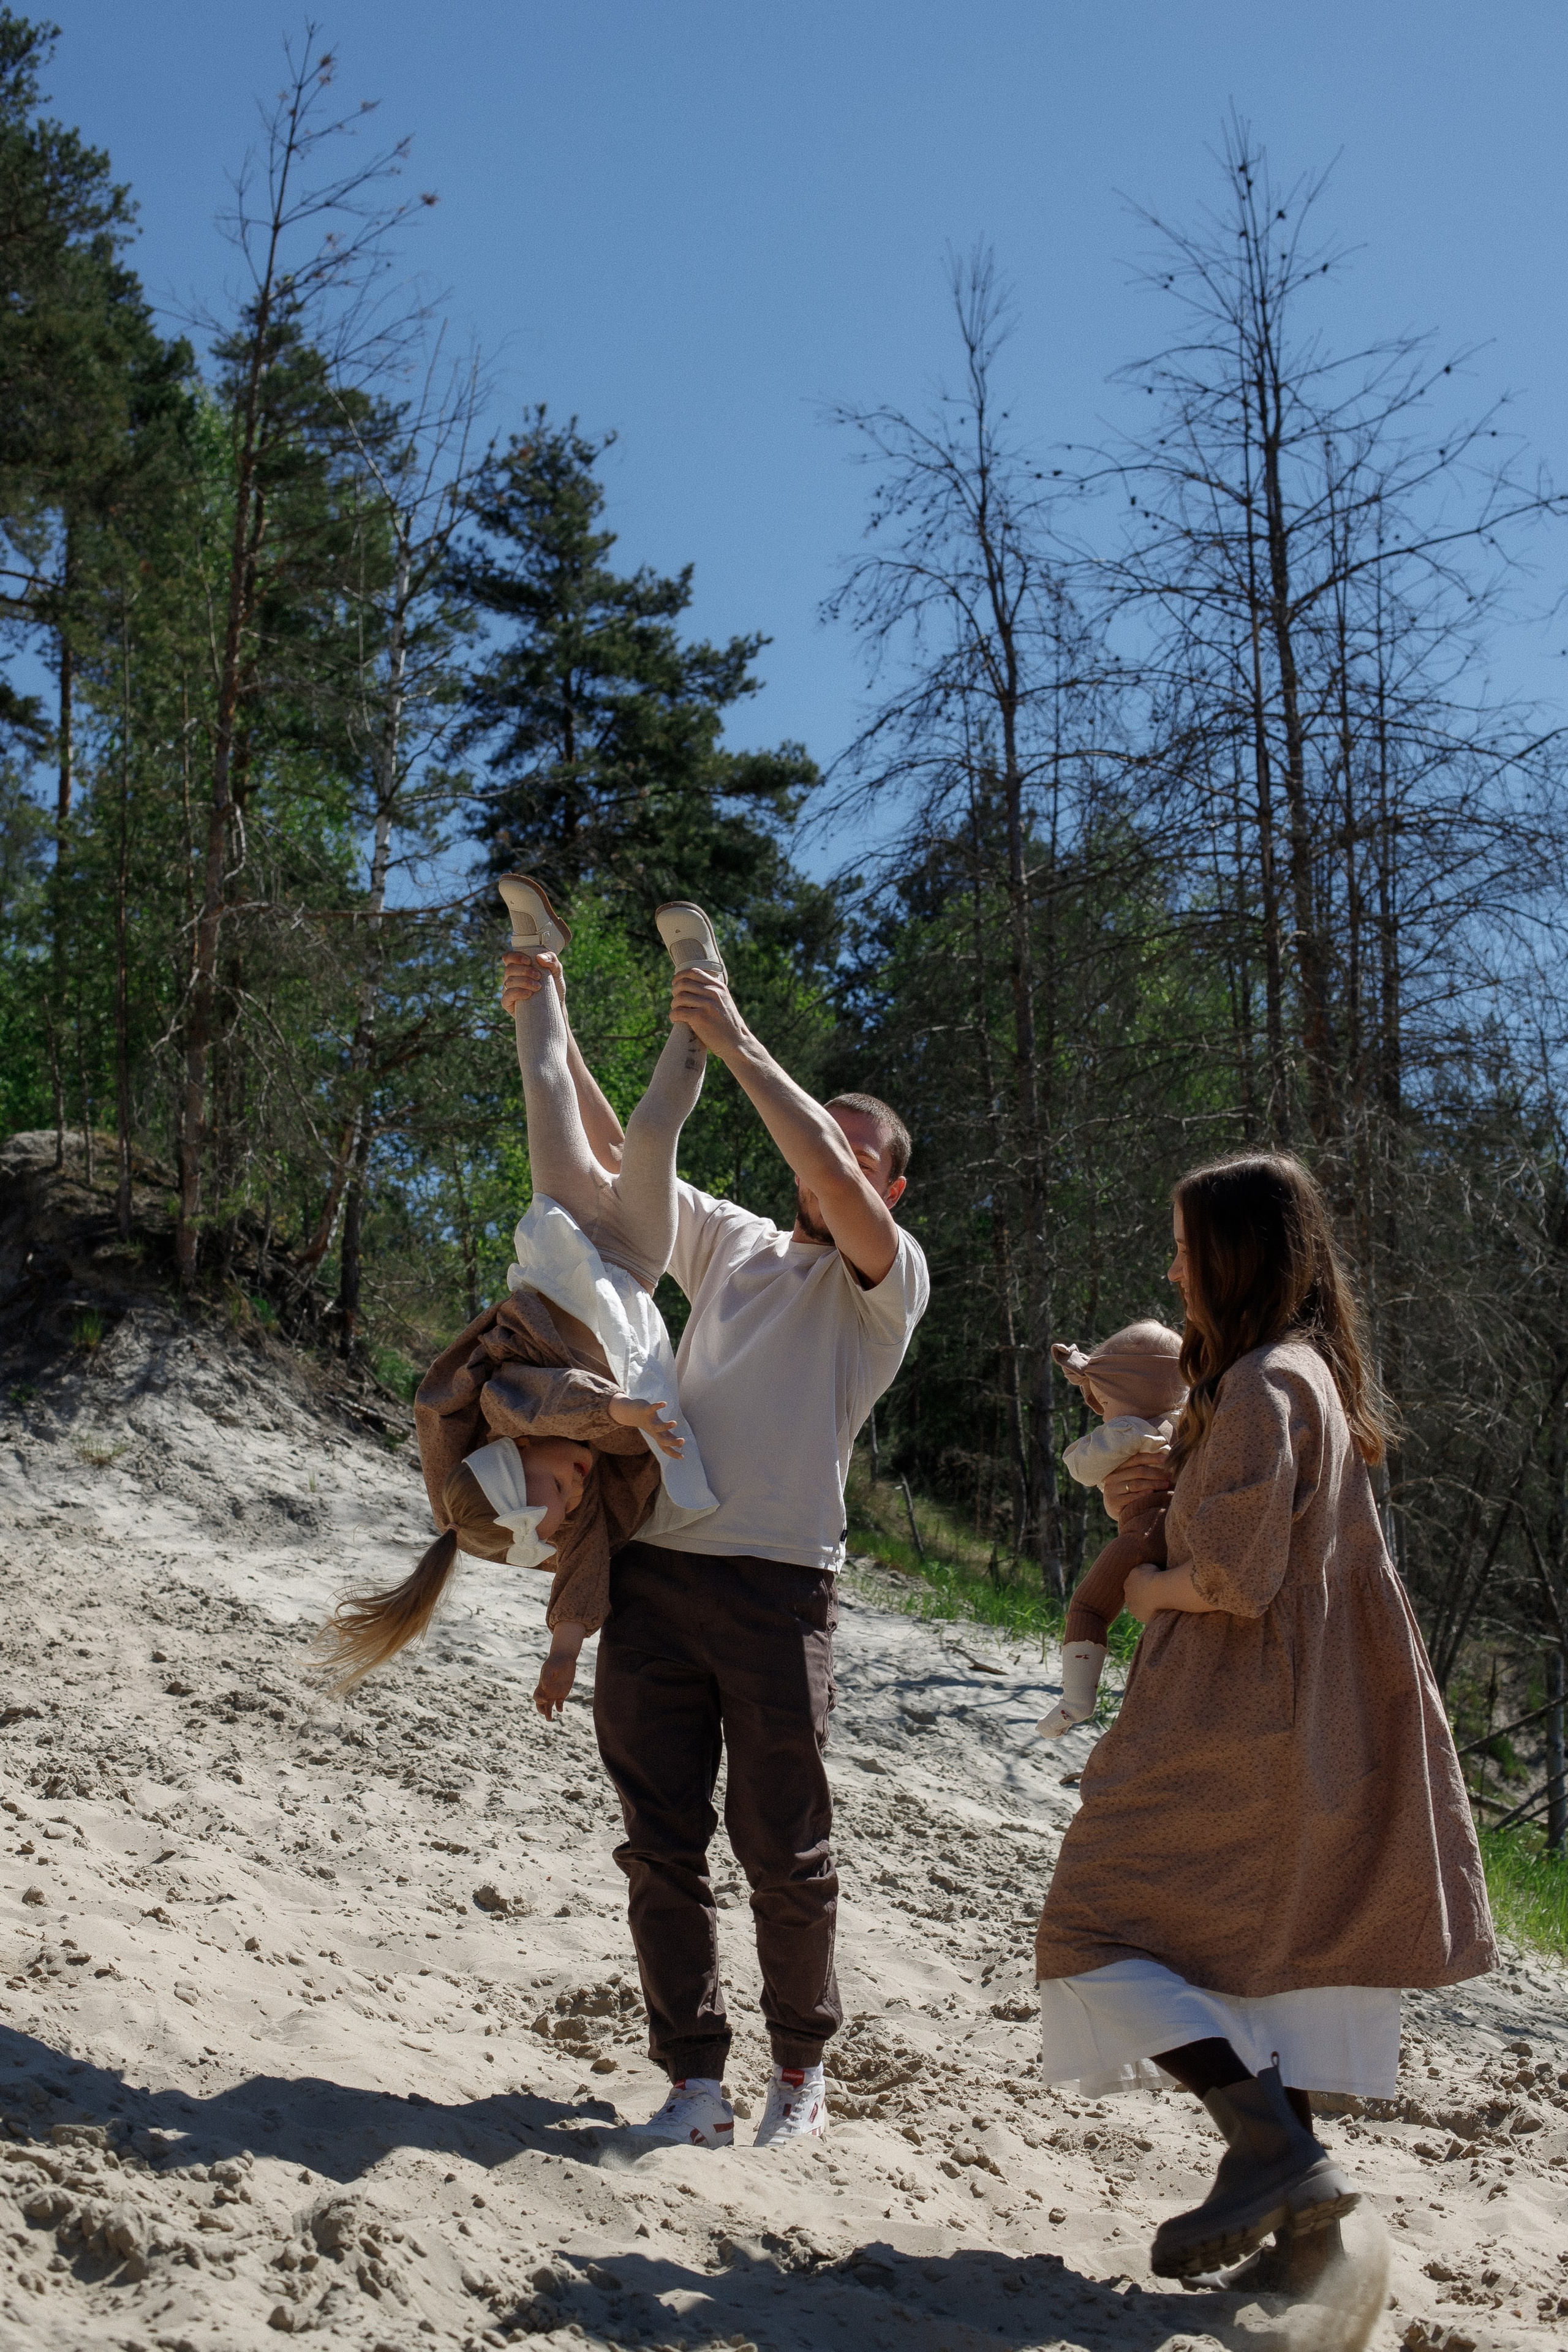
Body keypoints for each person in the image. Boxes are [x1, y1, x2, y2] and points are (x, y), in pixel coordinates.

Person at [1032, 1154, 1495, 2290]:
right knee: (1263, 1958)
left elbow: (1235, 1576)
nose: (1174, 1271)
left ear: (1236, 1257)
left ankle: (1274, 2150)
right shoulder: (1299, 1376)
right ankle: (1310, 2248)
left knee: (1090, 1925)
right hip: (1303, 1716)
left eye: (1186, 1250)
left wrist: (1148, 1589)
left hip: (1237, 1718)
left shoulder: (1263, 1385)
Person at [534, 946, 929, 2150]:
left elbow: (832, 1180)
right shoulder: (738, 1243)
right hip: (655, 1577)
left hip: (777, 1592)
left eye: (851, 1150)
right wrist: (550, 1014)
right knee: (660, 1847)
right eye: (819, 1140)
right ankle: (694, 2083)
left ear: (890, 1186)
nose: (826, 1159)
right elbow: (625, 1159)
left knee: (784, 1852)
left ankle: (799, 2072)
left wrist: (736, 1041)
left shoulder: (885, 1284)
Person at [321, 878, 719, 1714]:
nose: (576, 1491)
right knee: (653, 1132)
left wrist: (618, 1414)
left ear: (512, 1454)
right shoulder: (576, 1496)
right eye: (572, 1502)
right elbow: (583, 1561)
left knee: (546, 1085)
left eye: (557, 1488)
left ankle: (534, 947)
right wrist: (563, 1653)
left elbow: (559, 1400)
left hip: (565, 1254)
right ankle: (702, 983)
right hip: (633, 1262)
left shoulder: (506, 1408)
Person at [1036, 1324, 1186, 1739]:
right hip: (1177, 1533)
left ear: (1131, 1391)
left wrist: (1094, 1461)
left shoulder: (1129, 1431)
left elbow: (1080, 1467)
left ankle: (1076, 1699)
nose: (1100, 1412)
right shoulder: (1190, 1427)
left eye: (1104, 1400)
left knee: (1089, 1607)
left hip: (1143, 1536)